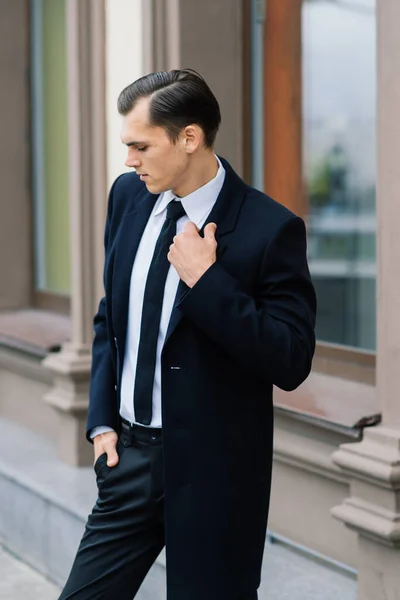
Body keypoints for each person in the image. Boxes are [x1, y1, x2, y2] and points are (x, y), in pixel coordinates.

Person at [59, 69, 316, 600]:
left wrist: (207, 281)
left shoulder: (270, 228)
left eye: (140, 145)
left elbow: (291, 360)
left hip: (215, 477)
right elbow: (112, 315)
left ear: (189, 138)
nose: (129, 159)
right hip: (127, 460)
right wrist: (101, 421)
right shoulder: (127, 197)